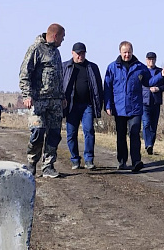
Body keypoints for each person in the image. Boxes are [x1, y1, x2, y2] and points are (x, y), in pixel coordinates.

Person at [104, 41, 164, 172]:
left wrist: (161, 76)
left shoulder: (140, 67)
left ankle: (136, 161)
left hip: (135, 107)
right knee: (121, 135)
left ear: (132, 52)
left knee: (135, 132)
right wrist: (108, 105)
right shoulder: (112, 67)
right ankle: (122, 161)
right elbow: (107, 88)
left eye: (129, 52)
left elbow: (148, 82)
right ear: (120, 52)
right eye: (124, 52)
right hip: (118, 108)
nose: (127, 55)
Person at [19, 23, 66, 178]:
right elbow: (25, 73)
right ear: (55, 35)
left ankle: (48, 166)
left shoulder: (56, 52)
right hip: (39, 100)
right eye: (62, 37)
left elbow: (59, 77)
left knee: (54, 134)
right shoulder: (36, 49)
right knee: (38, 132)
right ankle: (32, 162)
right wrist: (26, 95)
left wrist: (62, 96)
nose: (63, 41)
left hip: (55, 102)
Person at [62, 42, 103, 170]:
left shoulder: (92, 67)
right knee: (71, 134)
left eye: (82, 53)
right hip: (71, 106)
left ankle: (89, 159)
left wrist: (99, 103)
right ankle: (75, 159)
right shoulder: (65, 67)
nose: (80, 56)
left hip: (87, 105)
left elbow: (98, 88)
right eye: (78, 53)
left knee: (89, 130)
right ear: (72, 53)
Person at [141, 51, 164, 155]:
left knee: (153, 126)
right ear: (146, 60)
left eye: (153, 59)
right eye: (149, 59)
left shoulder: (160, 72)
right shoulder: (142, 71)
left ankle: (151, 146)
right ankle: (147, 144)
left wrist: (158, 88)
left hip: (156, 102)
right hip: (144, 102)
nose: (151, 61)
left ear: (155, 60)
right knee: (146, 124)